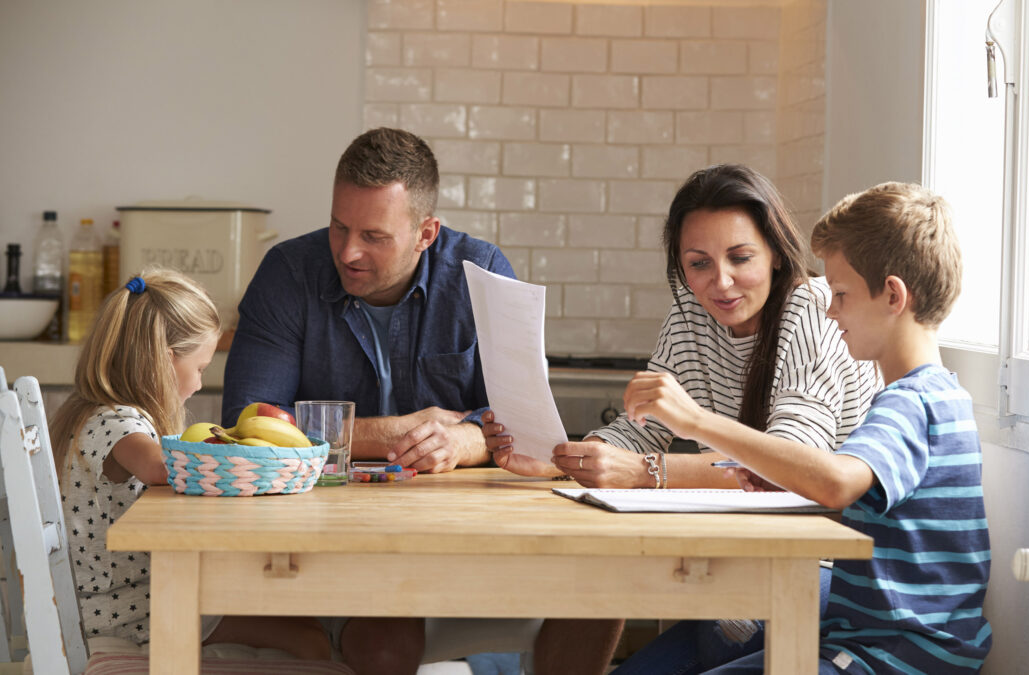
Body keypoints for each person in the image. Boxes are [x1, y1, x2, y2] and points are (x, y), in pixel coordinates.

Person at [222, 127, 621, 675]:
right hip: (327, 536)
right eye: (339, 226)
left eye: (374, 235)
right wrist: (395, 433)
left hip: (466, 534)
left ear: (426, 233)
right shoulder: (287, 274)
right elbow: (246, 425)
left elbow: (526, 428)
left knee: (602, 591)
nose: (347, 250)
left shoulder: (481, 274)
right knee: (383, 642)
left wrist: (468, 438)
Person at [611, 182, 993, 674]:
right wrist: (778, 476)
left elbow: (834, 481)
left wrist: (695, 421)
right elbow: (853, 500)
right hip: (863, 643)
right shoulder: (935, 396)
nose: (830, 310)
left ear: (893, 295)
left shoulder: (913, 404)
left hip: (893, 657)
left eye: (839, 294)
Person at [486, 163, 880, 491]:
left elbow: (789, 465)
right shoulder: (691, 312)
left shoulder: (813, 307)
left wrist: (644, 472)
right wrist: (562, 459)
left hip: (831, 547)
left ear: (776, 253)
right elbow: (642, 431)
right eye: (699, 263)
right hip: (753, 532)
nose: (721, 282)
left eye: (740, 258)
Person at [51, 269, 330, 659]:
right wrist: (243, 453)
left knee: (307, 624)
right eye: (199, 368)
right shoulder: (116, 422)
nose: (199, 384)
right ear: (164, 361)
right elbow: (158, 468)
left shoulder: (91, 410)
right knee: (311, 641)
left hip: (126, 598)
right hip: (124, 612)